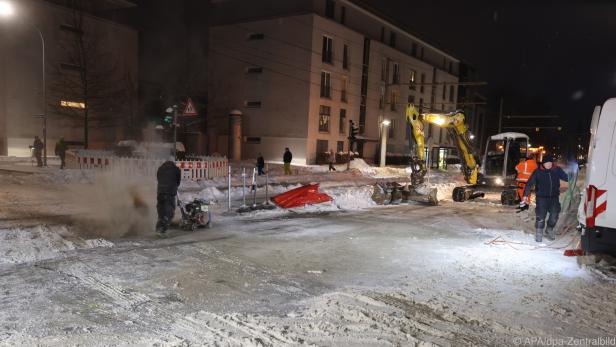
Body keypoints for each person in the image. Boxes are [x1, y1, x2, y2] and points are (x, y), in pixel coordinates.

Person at [521, 154, 569, 242]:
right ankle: (539, 232)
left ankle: (549, 229)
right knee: (540, 216)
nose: (549, 165)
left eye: (550, 163)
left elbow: (566, 178)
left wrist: (564, 172)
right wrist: (525, 195)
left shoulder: (556, 170)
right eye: (547, 163)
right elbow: (529, 184)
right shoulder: (537, 172)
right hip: (541, 198)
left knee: (554, 215)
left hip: (554, 198)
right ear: (543, 163)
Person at [155, 160, 181, 236]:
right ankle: (162, 229)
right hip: (170, 193)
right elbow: (178, 181)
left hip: (160, 192)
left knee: (161, 210)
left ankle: (159, 226)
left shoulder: (160, 168)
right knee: (169, 211)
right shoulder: (176, 169)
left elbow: (158, 178)